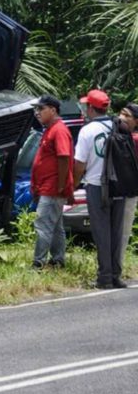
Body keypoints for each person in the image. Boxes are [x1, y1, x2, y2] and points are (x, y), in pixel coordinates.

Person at [73, 89, 126, 289]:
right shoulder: (119, 125)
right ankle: (116, 275)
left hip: (96, 186)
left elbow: (79, 163)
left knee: (101, 232)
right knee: (116, 231)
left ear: (90, 108)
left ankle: (104, 277)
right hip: (119, 185)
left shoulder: (88, 130)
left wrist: (74, 184)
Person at [29, 95, 74, 269]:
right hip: (48, 186)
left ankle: (38, 263)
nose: (37, 113)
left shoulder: (59, 130)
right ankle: (57, 260)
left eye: (41, 109)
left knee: (42, 224)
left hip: (52, 187)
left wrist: (61, 185)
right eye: (36, 109)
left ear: (53, 110)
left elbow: (64, 157)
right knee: (55, 226)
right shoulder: (50, 129)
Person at [119, 102, 138, 268]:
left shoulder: (134, 139)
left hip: (129, 191)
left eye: (127, 115)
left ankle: (117, 265)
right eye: (121, 113)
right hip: (116, 190)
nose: (122, 118)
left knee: (123, 230)